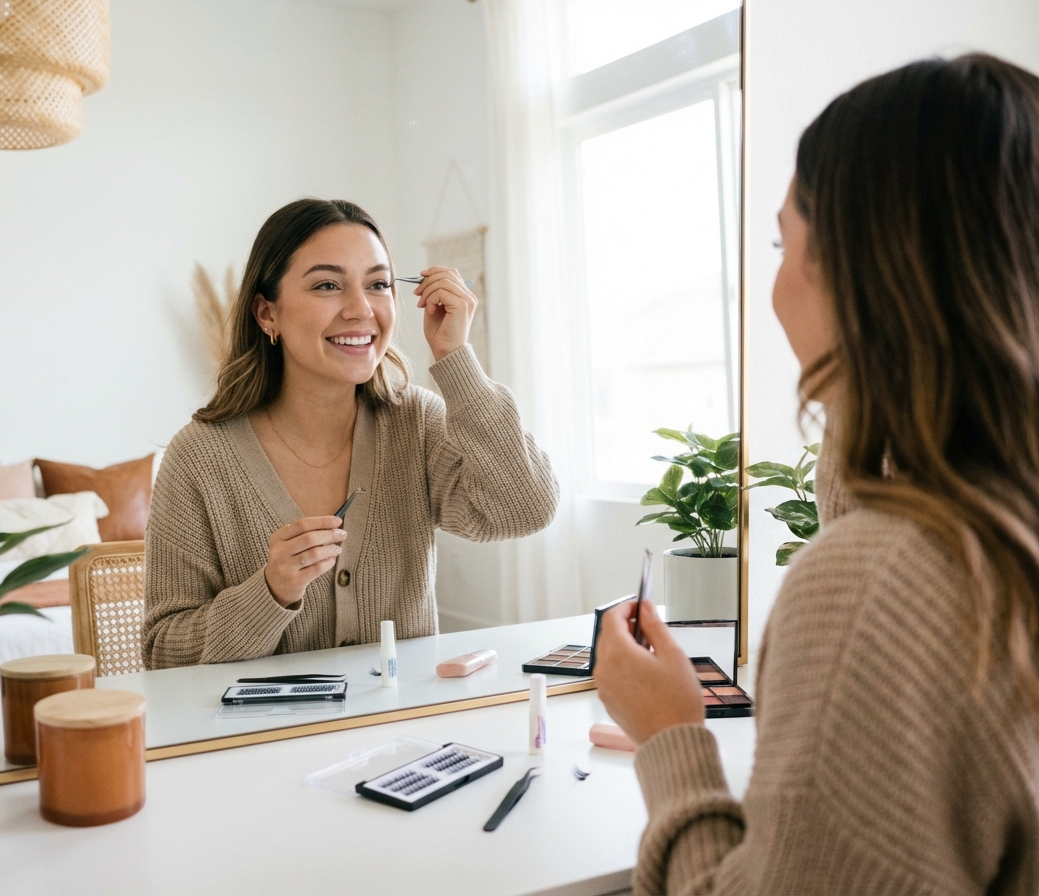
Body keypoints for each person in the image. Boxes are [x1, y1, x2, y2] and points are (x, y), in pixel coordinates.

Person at [594, 54, 1039, 893]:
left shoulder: (878, 584)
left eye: (782, 241)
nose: (773, 286)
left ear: (860, 267)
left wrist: (668, 737)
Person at [142, 198, 557, 669]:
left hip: (402, 733)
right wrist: (270, 592)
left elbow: (525, 509)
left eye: (378, 284)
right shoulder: (198, 458)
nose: (361, 310)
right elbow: (162, 653)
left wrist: (456, 359)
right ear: (266, 314)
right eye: (327, 285)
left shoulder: (415, 424)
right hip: (262, 741)